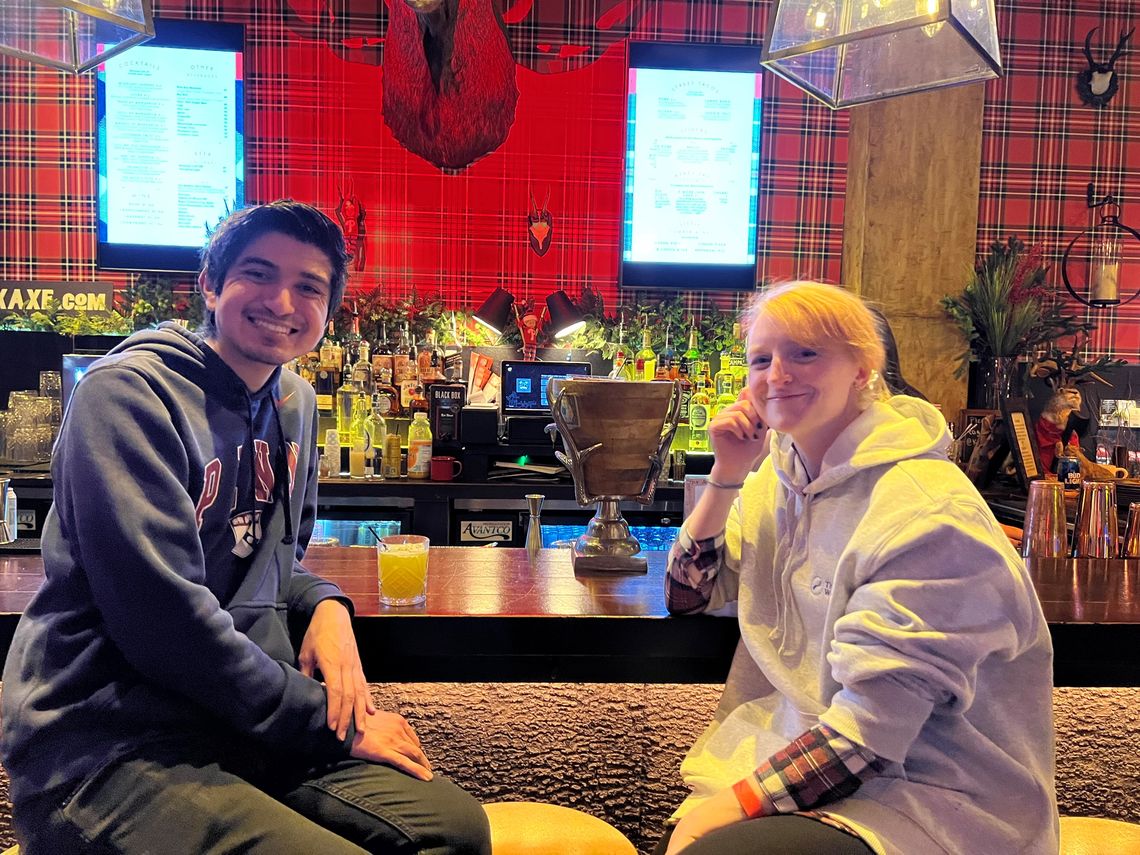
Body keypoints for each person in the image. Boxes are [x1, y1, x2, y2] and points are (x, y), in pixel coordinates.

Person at [1, 201, 490, 855]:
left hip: (234, 727)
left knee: (454, 830)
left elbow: (268, 558)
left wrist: (323, 607)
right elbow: (163, 621)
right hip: (105, 744)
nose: (282, 300)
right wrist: (328, 721)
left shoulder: (297, 405)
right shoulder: (126, 396)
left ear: (329, 309)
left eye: (309, 286)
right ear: (211, 283)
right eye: (258, 273)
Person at [658, 281, 1056, 855]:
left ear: (863, 367)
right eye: (760, 359)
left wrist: (724, 809)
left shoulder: (926, 509)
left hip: (934, 796)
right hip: (806, 756)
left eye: (805, 353)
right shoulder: (778, 475)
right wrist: (726, 475)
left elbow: (870, 735)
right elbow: (686, 595)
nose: (777, 375)